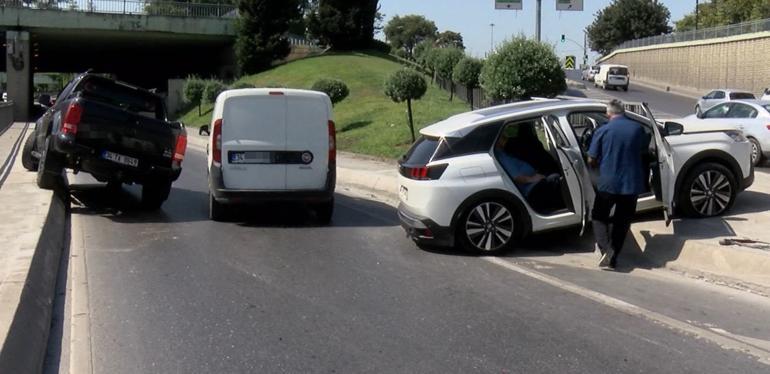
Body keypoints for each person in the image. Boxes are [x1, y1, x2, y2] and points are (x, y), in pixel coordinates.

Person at [588, 99, 647, 269]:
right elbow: (645, 150)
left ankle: (607, 250)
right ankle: (612, 258)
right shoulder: (637, 128)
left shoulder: (603, 130)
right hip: (631, 184)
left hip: (608, 183)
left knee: (599, 216)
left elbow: (591, 158)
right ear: (623, 112)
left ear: (608, 114)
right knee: (622, 221)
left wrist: (595, 166)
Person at [496, 124, 564, 213]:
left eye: (504, 136)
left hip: (535, 183)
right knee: (556, 180)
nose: (506, 137)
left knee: (554, 177)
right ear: (497, 141)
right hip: (532, 189)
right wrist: (533, 179)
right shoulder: (503, 157)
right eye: (502, 137)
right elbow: (517, 178)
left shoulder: (507, 152)